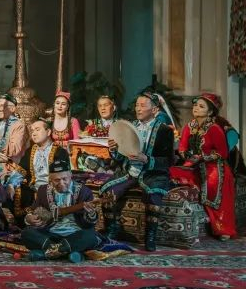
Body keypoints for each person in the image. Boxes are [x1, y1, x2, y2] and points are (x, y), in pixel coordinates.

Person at [100, 92, 174, 251]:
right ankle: (112, 229)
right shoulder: (129, 127)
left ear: (154, 110)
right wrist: (114, 150)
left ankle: (150, 236)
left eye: (142, 105)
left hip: (152, 173)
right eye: (136, 105)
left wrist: (147, 159)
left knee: (153, 194)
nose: (138, 109)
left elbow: (169, 161)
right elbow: (121, 156)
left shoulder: (164, 130)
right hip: (130, 171)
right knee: (108, 190)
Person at [170, 93, 236, 240]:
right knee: (173, 172)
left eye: (201, 106)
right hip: (193, 164)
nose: (196, 108)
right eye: (195, 105)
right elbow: (182, 147)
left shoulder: (214, 129)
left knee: (212, 183)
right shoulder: (189, 127)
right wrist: (186, 154)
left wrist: (203, 157)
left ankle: (223, 228)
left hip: (214, 166)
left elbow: (222, 153)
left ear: (210, 111)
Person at [21, 159, 100, 262]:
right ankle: (68, 251)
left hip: (75, 234)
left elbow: (88, 224)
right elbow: (33, 210)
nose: (61, 183)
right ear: (50, 179)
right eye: (57, 180)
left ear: (70, 175)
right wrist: (29, 218)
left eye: (64, 179)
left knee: (90, 236)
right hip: (51, 234)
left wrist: (91, 214)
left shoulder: (84, 191)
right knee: (27, 233)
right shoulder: (43, 190)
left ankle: (44, 254)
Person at [10, 119, 71, 221]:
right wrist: (11, 184)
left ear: (48, 132)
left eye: (37, 130)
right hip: (33, 191)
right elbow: (20, 171)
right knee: (13, 191)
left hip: (53, 191)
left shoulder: (60, 152)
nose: (34, 133)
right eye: (32, 131)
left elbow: (63, 177)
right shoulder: (30, 151)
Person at [0, 94, 29, 184]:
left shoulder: (19, 125)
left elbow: (14, 150)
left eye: (3, 106)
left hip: (11, 167)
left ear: (12, 108)